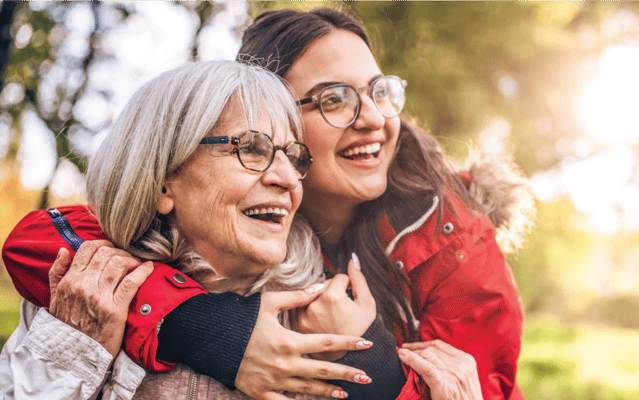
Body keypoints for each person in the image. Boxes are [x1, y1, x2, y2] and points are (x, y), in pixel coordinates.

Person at [3, 6, 534, 400]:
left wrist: (364, 359)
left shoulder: (451, 239)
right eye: (333, 99)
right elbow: (41, 241)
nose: (372, 117)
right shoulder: (225, 220)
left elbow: (477, 383)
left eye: (377, 91)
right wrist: (211, 328)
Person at [0, 60, 387, 400]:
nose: (289, 178)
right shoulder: (83, 296)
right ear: (162, 180)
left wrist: (375, 369)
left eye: (294, 156)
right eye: (252, 148)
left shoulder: (326, 320)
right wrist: (74, 355)